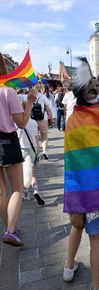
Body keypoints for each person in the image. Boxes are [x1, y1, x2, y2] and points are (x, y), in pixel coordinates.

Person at [63, 57, 99, 290]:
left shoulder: (72, 119)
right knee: (95, 237)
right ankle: (96, 288)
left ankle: (68, 266)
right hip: (97, 188)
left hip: (76, 185)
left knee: (76, 225)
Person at [0, 53, 37, 246]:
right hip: (7, 140)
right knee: (17, 188)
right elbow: (22, 122)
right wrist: (30, 101)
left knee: (0, 192)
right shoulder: (7, 91)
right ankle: (10, 230)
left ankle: (11, 229)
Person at [17, 101, 45, 206]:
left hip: (22, 150)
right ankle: (36, 191)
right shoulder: (33, 122)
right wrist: (38, 152)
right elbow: (37, 139)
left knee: (23, 173)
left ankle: (25, 194)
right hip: (32, 150)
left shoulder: (17, 123)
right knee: (32, 174)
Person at [32, 85, 53, 159]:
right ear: (38, 89)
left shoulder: (27, 96)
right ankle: (44, 151)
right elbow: (48, 109)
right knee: (44, 136)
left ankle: (37, 154)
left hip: (32, 120)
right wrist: (51, 117)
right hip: (43, 118)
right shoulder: (42, 96)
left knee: (36, 137)